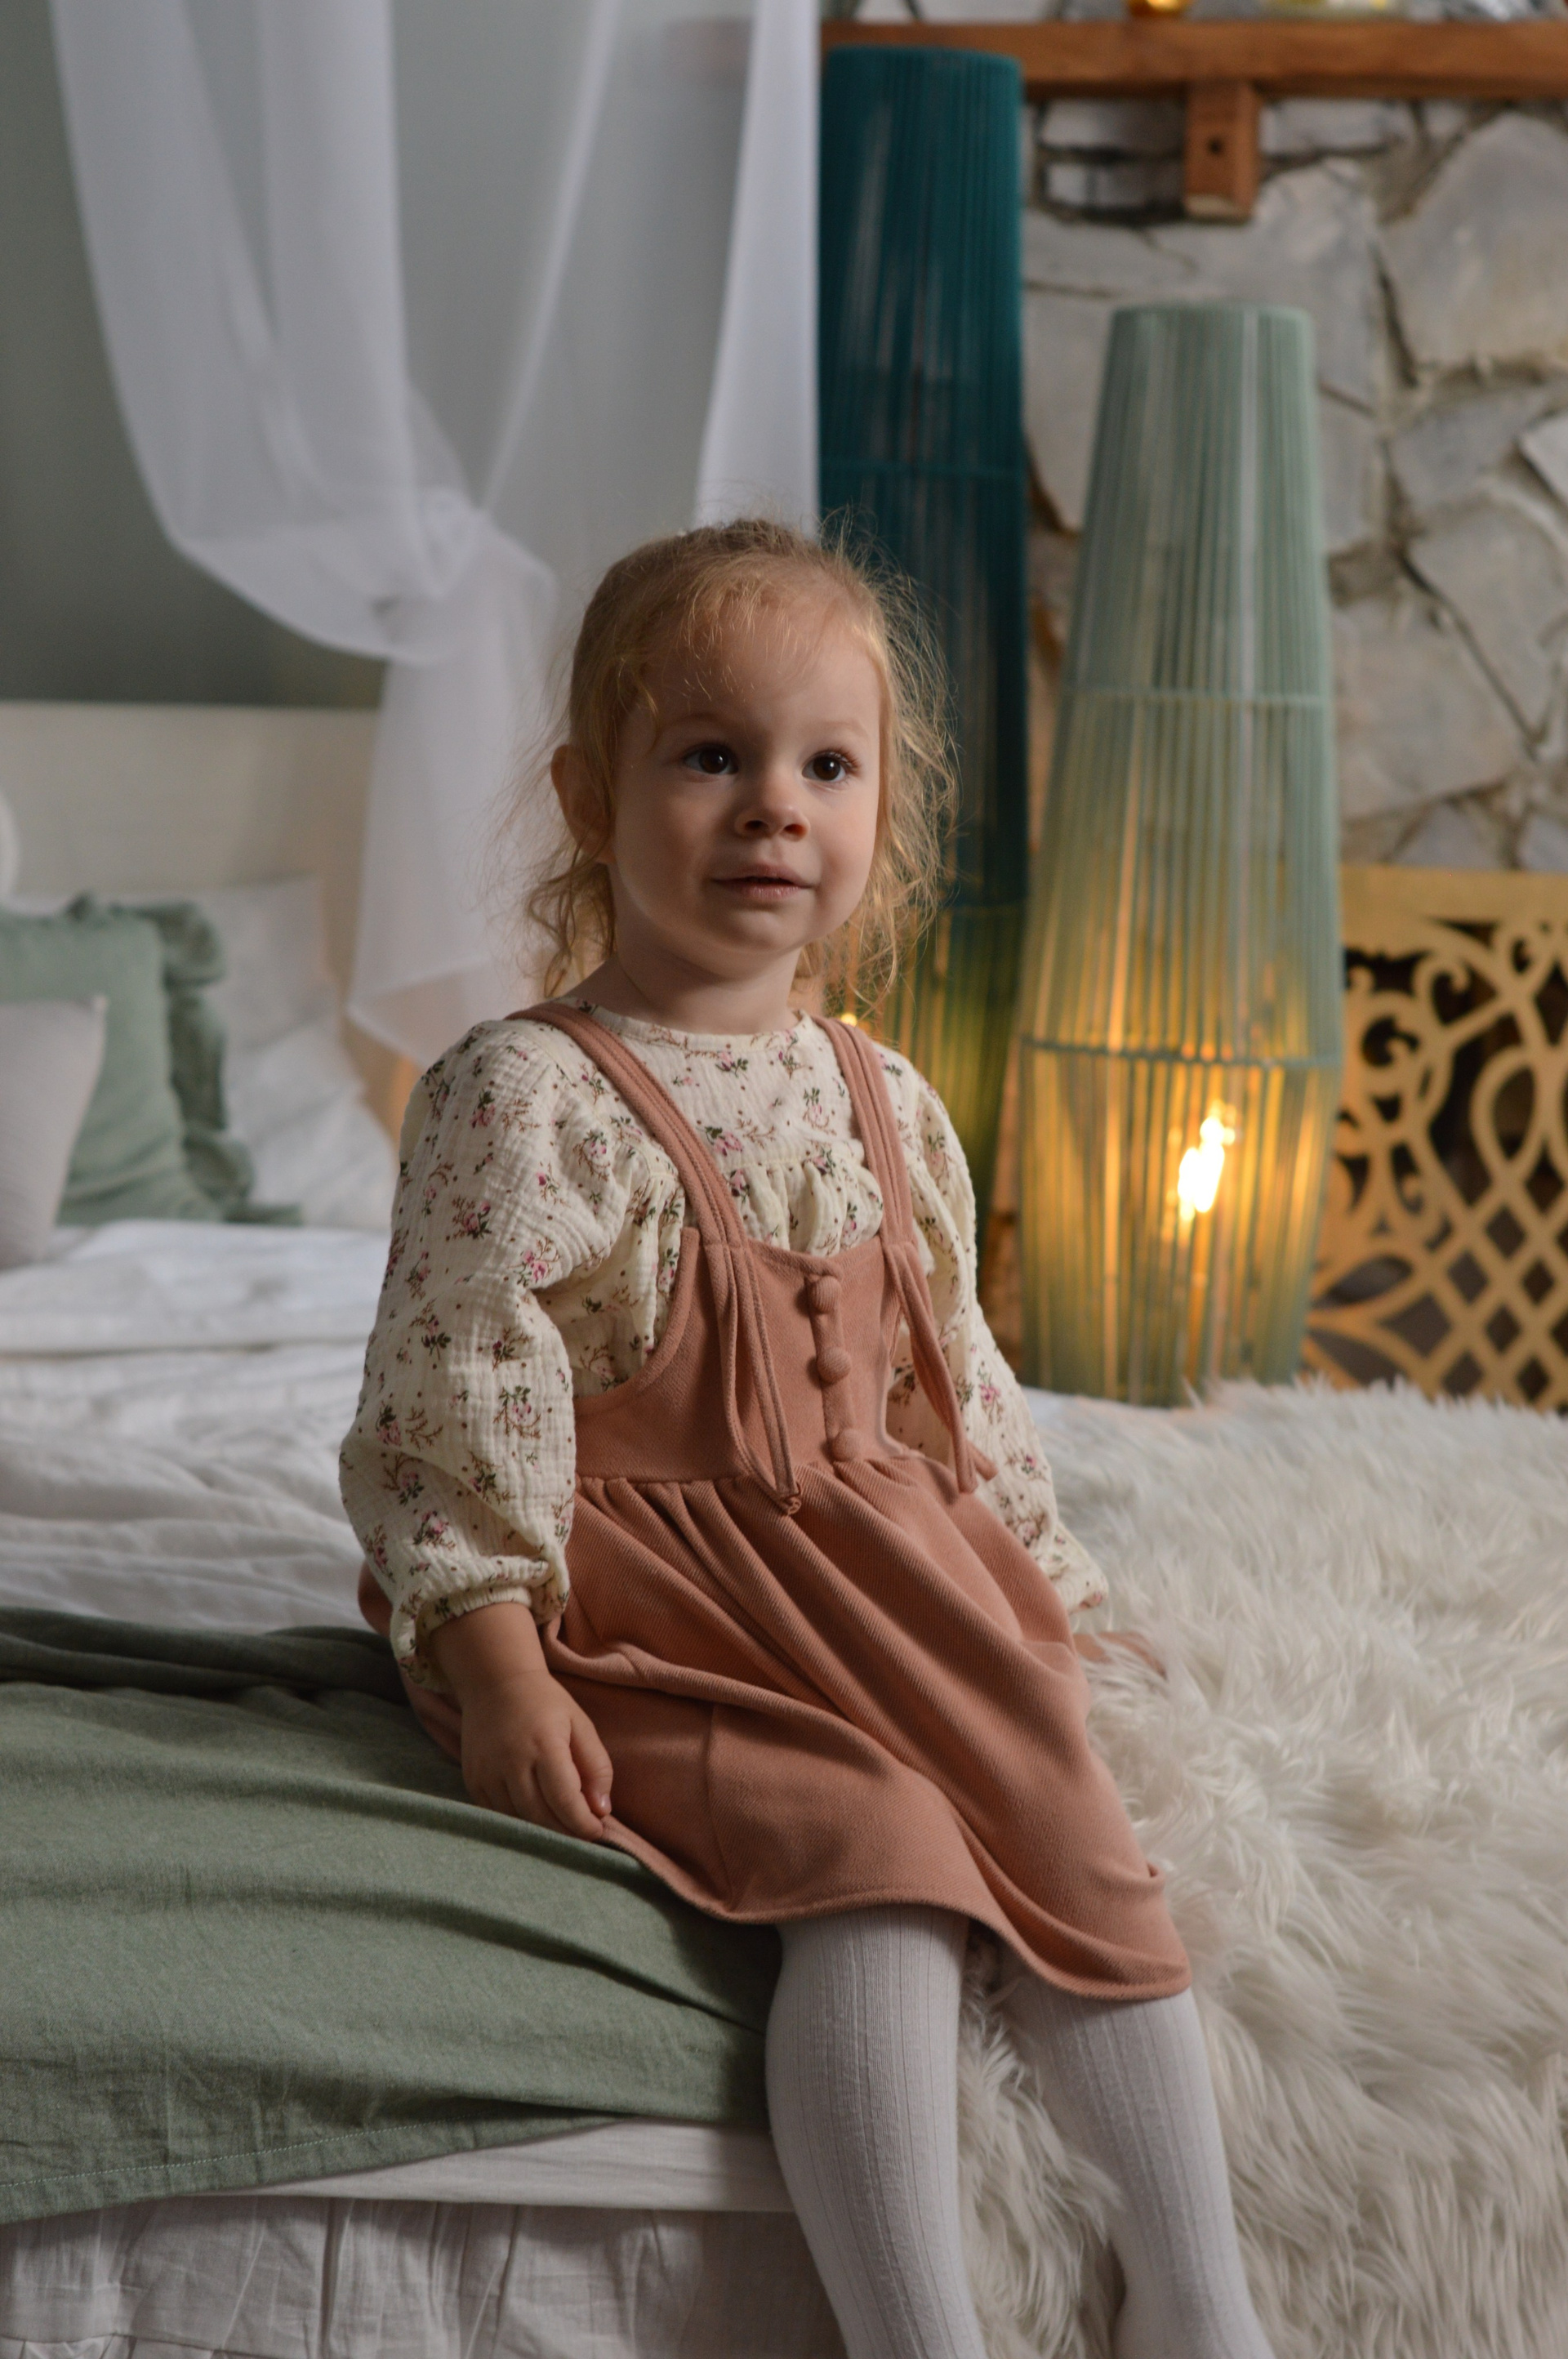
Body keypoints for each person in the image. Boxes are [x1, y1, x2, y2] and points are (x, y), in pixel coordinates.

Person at [341, 519, 1276, 2359]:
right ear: (590, 799)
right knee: (880, 1858)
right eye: (712, 755)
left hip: (869, 1568)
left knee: (1071, 1821)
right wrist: (500, 1665)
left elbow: (958, 1383)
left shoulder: (886, 1097)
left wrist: (1048, 1590)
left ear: (875, 816)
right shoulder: (522, 1095)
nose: (775, 805)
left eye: (826, 767)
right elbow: (450, 1399)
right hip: (646, 1605)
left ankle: (1202, 2300)